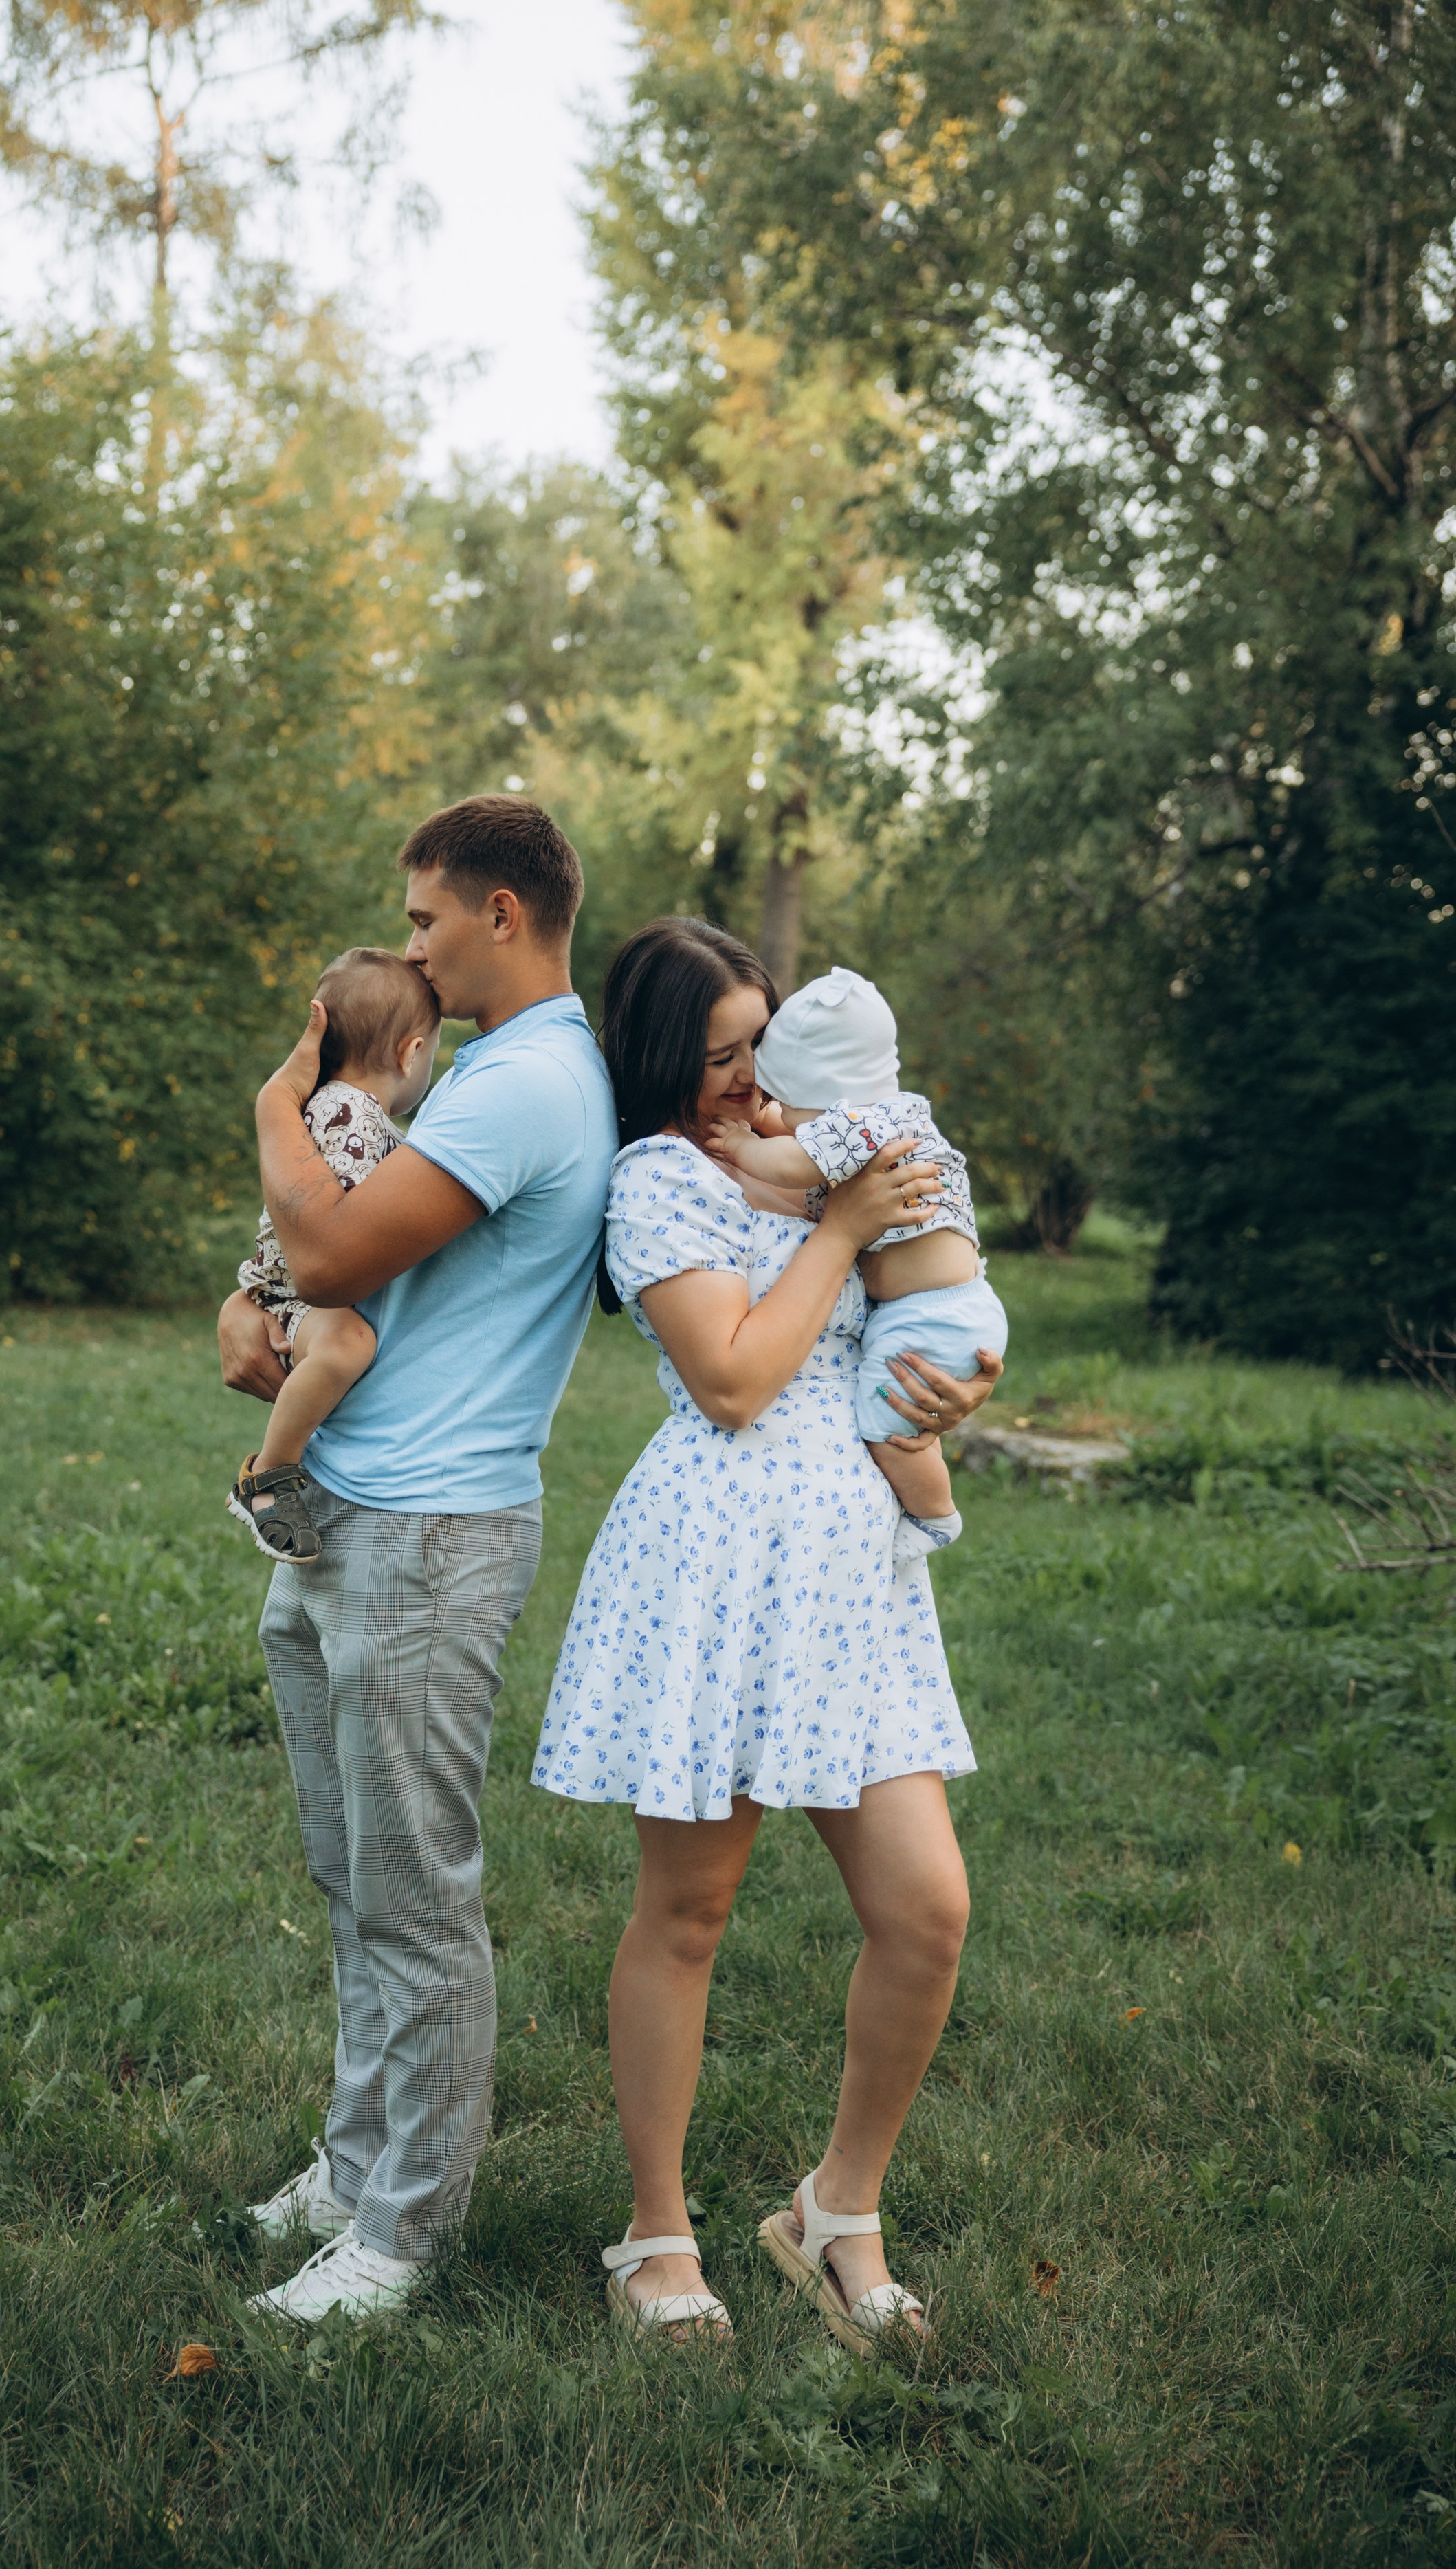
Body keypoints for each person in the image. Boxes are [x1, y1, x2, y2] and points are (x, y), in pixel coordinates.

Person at [532, 918, 1002, 2348]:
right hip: (722, 1561)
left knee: (926, 1912)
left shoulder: (823, 1148)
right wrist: (843, 1228)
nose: (749, 1079)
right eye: (718, 1054)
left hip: (853, 1576)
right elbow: (732, 1379)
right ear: (662, 1061)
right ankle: (655, 2235)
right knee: (688, 1912)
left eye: (762, 1043)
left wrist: (950, 1375)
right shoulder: (659, 1179)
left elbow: (917, 1298)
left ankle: (834, 2212)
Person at [217, 796, 618, 2327]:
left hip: (432, 1535)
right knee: (353, 1882)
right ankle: (355, 2167)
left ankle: (404, 2233)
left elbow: (328, 1248)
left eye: (425, 918)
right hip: (344, 1509)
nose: (412, 946)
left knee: (413, 1897)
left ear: (502, 913)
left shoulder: (531, 1083)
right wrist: (244, 1308)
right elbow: (322, 1261)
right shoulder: (477, 1074)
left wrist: (277, 1098)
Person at [707, 964, 1011, 1568]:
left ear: (826, 1103)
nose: (772, 1109)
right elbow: (795, 1133)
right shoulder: (889, 1115)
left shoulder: (858, 1130)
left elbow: (792, 1162)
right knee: (900, 1416)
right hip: (951, 1305)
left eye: (787, 1102)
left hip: (928, 1315)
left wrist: (741, 1146)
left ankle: (933, 1515)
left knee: (888, 1428)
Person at [225, 947, 439, 1565]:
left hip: (297, 1286)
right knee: (347, 1344)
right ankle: (267, 1479)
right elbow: (338, 1226)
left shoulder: (346, 1110)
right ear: (410, 1053)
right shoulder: (348, 1114)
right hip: (295, 1290)